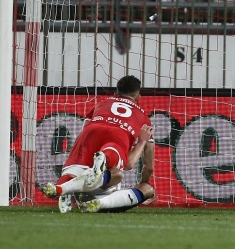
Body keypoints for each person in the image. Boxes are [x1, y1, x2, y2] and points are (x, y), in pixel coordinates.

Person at [43, 75, 155, 213]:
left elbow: (84, 130)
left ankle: (62, 188)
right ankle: (99, 201)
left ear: (115, 93)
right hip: (105, 176)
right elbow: (141, 166)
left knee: (83, 166)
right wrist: (142, 142)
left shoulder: (102, 104)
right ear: (138, 97)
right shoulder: (143, 118)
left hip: (89, 136)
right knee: (139, 185)